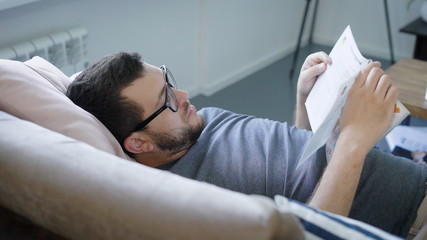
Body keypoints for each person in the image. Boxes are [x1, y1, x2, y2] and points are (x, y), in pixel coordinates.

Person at [66, 51, 427, 238]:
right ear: (139, 143)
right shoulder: (190, 198)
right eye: (167, 100)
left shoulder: (193, 123)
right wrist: (353, 138)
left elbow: (290, 172)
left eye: (169, 81)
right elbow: (305, 233)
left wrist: (305, 102)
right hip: (410, 218)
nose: (184, 95)